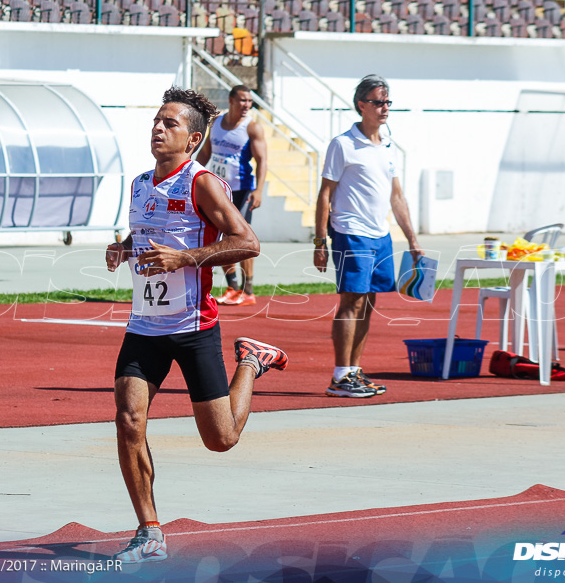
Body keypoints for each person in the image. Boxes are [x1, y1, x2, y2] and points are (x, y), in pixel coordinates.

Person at [105, 87, 289, 563]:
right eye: (156, 121)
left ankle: (251, 362)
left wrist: (186, 257)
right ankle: (149, 533)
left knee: (220, 439)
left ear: (193, 138)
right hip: (144, 325)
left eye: (170, 123)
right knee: (129, 420)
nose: (158, 128)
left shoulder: (202, 183)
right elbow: (148, 231)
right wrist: (124, 246)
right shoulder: (140, 183)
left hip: (192, 326)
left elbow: (248, 242)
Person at [312, 74, 422, 398]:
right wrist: (320, 241)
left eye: (387, 102)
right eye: (378, 102)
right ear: (361, 105)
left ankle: (354, 370)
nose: (384, 108)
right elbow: (324, 194)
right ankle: (340, 375)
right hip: (351, 232)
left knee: (369, 303)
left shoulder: (387, 144)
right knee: (352, 302)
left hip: (380, 235)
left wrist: (412, 240)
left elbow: (397, 196)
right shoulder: (342, 144)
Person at [195, 85, 267, 306]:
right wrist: (189, 175)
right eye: (243, 100)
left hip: (242, 189)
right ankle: (232, 287)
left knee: (241, 238)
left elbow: (262, 160)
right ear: (231, 100)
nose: (247, 105)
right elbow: (207, 151)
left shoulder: (251, 128)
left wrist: (259, 190)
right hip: (219, 190)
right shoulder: (216, 123)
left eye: (250, 102)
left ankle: (248, 290)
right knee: (223, 238)